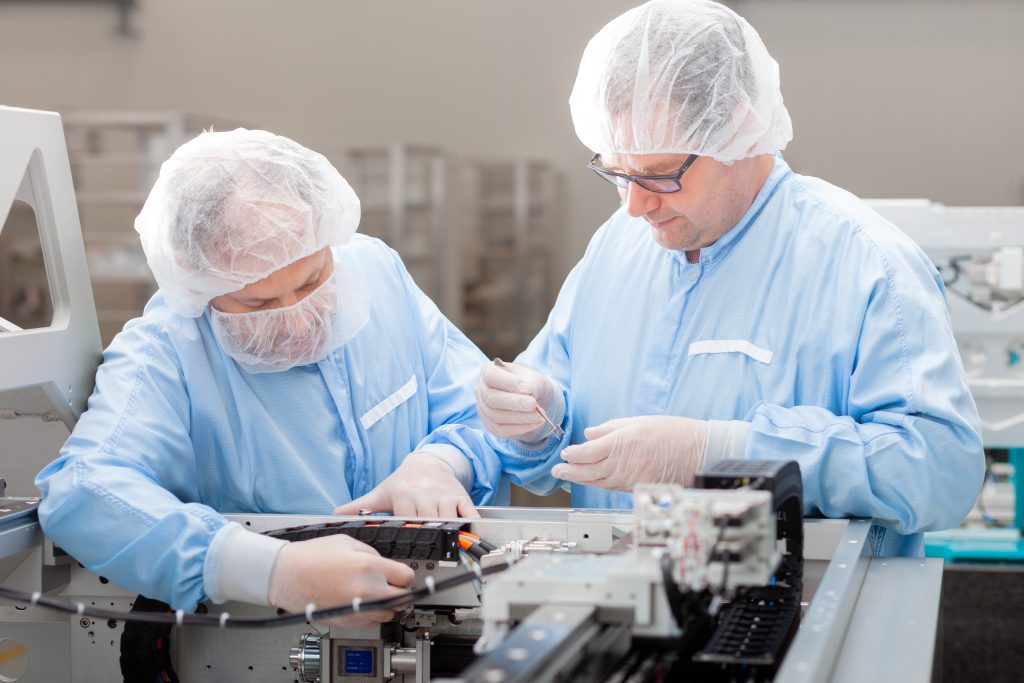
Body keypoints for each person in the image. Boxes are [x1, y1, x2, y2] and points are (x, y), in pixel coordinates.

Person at [472, 0, 983, 555]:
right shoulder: (616, 249)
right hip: (619, 617)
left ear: (737, 129)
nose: (635, 206)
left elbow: (939, 471)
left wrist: (723, 452)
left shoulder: (864, 262)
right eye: (617, 174)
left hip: (797, 620)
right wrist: (538, 419)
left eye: (661, 177)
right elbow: (556, 445)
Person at [36, 129, 502, 623]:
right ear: (196, 282)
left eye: (311, 282)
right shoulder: (166, 352)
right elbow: (83, 492)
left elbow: (480, 405)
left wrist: (442, 460)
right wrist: (272, 571)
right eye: (256, 303)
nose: (299, 321)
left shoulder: (376, 273)